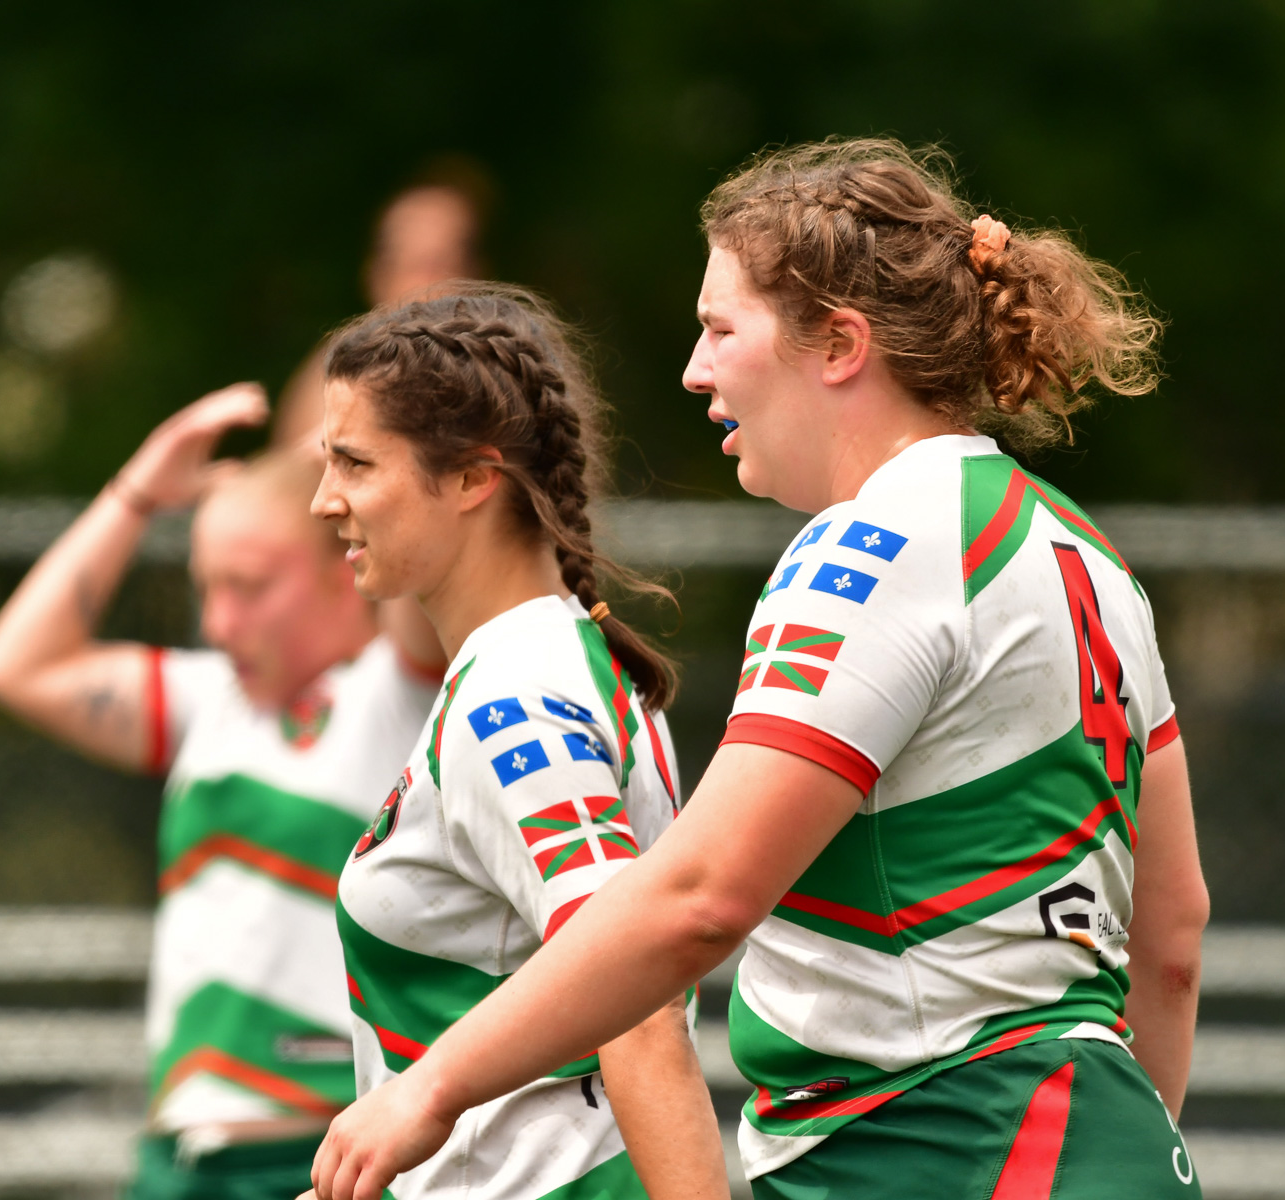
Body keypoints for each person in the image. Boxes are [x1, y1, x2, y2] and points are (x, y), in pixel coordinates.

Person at [307, 140, 1211, 1200]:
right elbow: (1175, 936)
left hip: (929, 1157)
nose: (695, 371)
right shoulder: (1087, 556)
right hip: (1108, 1145)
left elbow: (697, 899)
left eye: (720, 330)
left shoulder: (869, 548)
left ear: (837, 346)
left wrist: (431, 1087)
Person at [0, 383, 445, 1200]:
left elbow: (431, 551)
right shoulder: (210, 702)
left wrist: (371, 457)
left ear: (347, 566)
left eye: (251, 586)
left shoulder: (400, 692)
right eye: (206, 587)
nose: (220, 622)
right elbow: (12, 664)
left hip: (332, 1155)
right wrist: (138, 495)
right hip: (178, 1160)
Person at [306, 285, 727, 1200]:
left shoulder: (520, 694)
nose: (322, 500)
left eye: (354, 464)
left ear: (471, 478)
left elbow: (637, 1000)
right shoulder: (554, 659)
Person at [272, 172, 489, 451]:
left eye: (443, 263)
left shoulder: (502, 375)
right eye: (412, 265)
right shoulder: (334, 380)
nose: (428, 287)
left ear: (475, 274)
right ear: (375, 276)